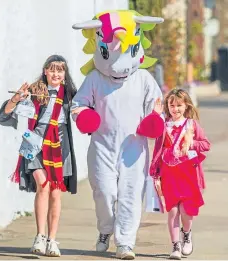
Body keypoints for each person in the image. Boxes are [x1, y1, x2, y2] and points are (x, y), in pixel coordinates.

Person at [71, 10, 164, 260]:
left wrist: (153, 122)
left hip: (134, 147)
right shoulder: (94, 78)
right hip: (102, 145)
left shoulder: (143, 78)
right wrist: (83, 116)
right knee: (104, 190)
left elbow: (157, 107)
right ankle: (105, 229)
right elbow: (77, 104)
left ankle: (125, 242)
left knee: (131, 193)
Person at [0, 55, 77, 257]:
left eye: (60, 70)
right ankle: (39, 237)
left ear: (65, 75)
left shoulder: (70, 94)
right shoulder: (35, 91)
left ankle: (52, 239)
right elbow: (4, 116)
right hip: (35, 143)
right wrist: (16, 99)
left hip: (60, 145)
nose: (56, 73)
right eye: (52, 69)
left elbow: (85, 114)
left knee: (55, 192)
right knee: (43, 185)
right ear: (45, 71)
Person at [150, 89, 210, 260]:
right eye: (172, 105)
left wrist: (191, 144)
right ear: (167, 106)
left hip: (188, 176)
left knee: (185, 210)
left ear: (186, 106)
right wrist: (155, 171)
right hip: (169, 176)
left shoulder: (191, 125)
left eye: (179, 105)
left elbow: (206, 145)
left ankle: (187, 234)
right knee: (173, 211)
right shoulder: (164, 125)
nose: (175, 109)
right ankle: (175, 245)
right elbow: (156, 147)